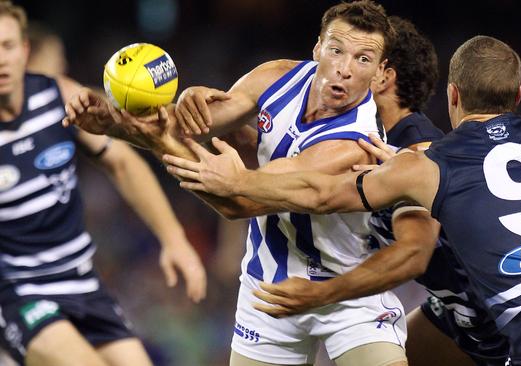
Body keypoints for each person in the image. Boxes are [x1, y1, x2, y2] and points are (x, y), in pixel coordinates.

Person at [162, 35, 521, 366]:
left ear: (453, 96)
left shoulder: (427, 163)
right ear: (518, 94)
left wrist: (238, 184)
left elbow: (320, 192)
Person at [64, 1, 419, 365]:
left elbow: (239, 201)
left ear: (380, 72)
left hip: (346, 290)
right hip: (268, 284)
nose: (344, 69)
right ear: (317, 48)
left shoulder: (352, 145)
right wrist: (111, 122)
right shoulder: (276, 76)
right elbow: (184, 126)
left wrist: (157, 142)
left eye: (363, 59)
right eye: (336, 50)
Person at [0, 2, 207, 365]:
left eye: (8, 46)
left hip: (82, 282)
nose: (1, 59)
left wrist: (174, 239)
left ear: (25, 50)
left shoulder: (57, 94)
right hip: (16, 291)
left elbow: (123, 164)